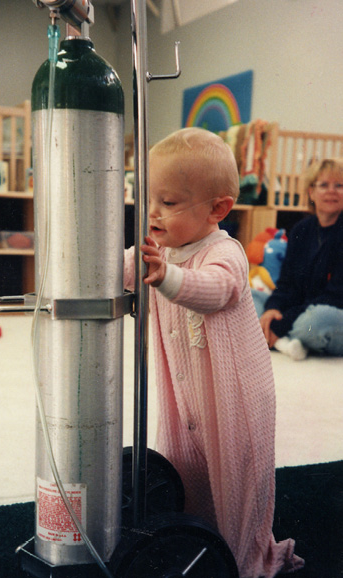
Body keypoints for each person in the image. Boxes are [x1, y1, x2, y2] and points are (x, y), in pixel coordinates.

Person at [124, 128, 304, 577]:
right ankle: (199, 545)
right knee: (188, 474)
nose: (153, 213)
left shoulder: (225, 252)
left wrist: (166, 276)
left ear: (218, 209)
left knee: (238, 486)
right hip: (183, 398)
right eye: (149, 200)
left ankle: (244, 560)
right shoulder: (161, 248)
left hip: (235, 399)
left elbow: (215, 291)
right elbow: (124, 269)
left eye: (168, 202)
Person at [259, 158, 343, 361]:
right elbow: (286, 283)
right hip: (301, 309)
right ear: (311, 192)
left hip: (333, 312)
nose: (332, 191)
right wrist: (273, 309)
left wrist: (284, 320)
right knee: (249, 299)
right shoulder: (301, 229)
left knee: (313, 322)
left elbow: (335, 296)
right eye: (323, 185)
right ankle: (283, 340)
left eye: (339, 185)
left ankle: (273, 336)